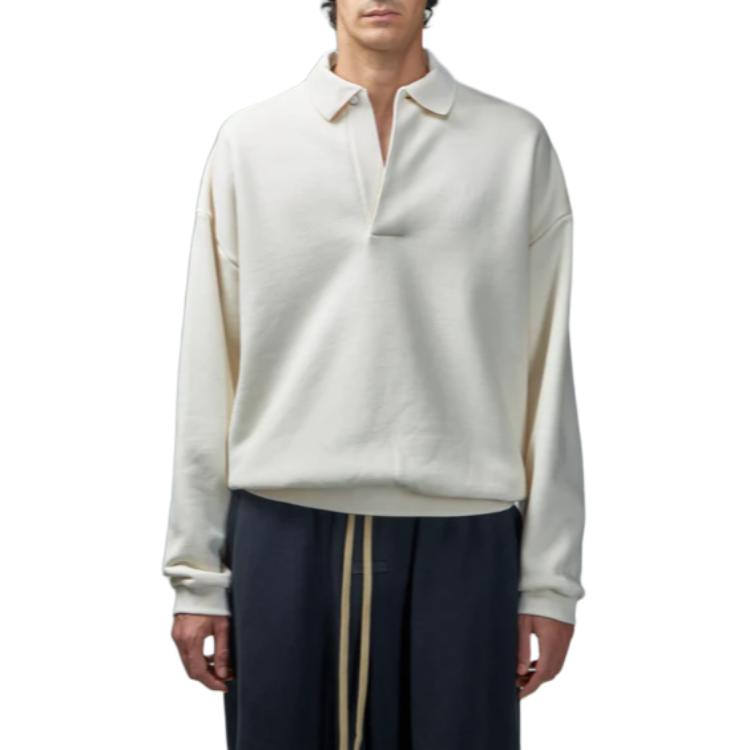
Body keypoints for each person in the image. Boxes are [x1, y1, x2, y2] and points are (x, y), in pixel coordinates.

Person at [161, 1, 586, 748]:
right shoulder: (251, 142)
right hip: (283, 528)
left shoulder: (513, 144)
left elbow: (546, 363)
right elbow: (209, 359)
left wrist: (549, 581)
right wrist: (196, 574)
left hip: (466, 534)